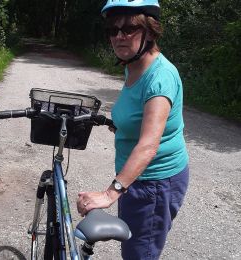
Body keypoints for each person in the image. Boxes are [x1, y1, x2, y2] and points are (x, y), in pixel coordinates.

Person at [76, 0, 189, 259]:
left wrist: (109, 193)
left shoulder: (160, 78)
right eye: (113, 31)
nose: (119, 37)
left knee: (139, 253)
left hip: (155, 184)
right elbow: (136, 116)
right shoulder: (133, 66)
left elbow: (149, 145)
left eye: (129, 29)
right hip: (136, 179)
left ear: (149, 31)